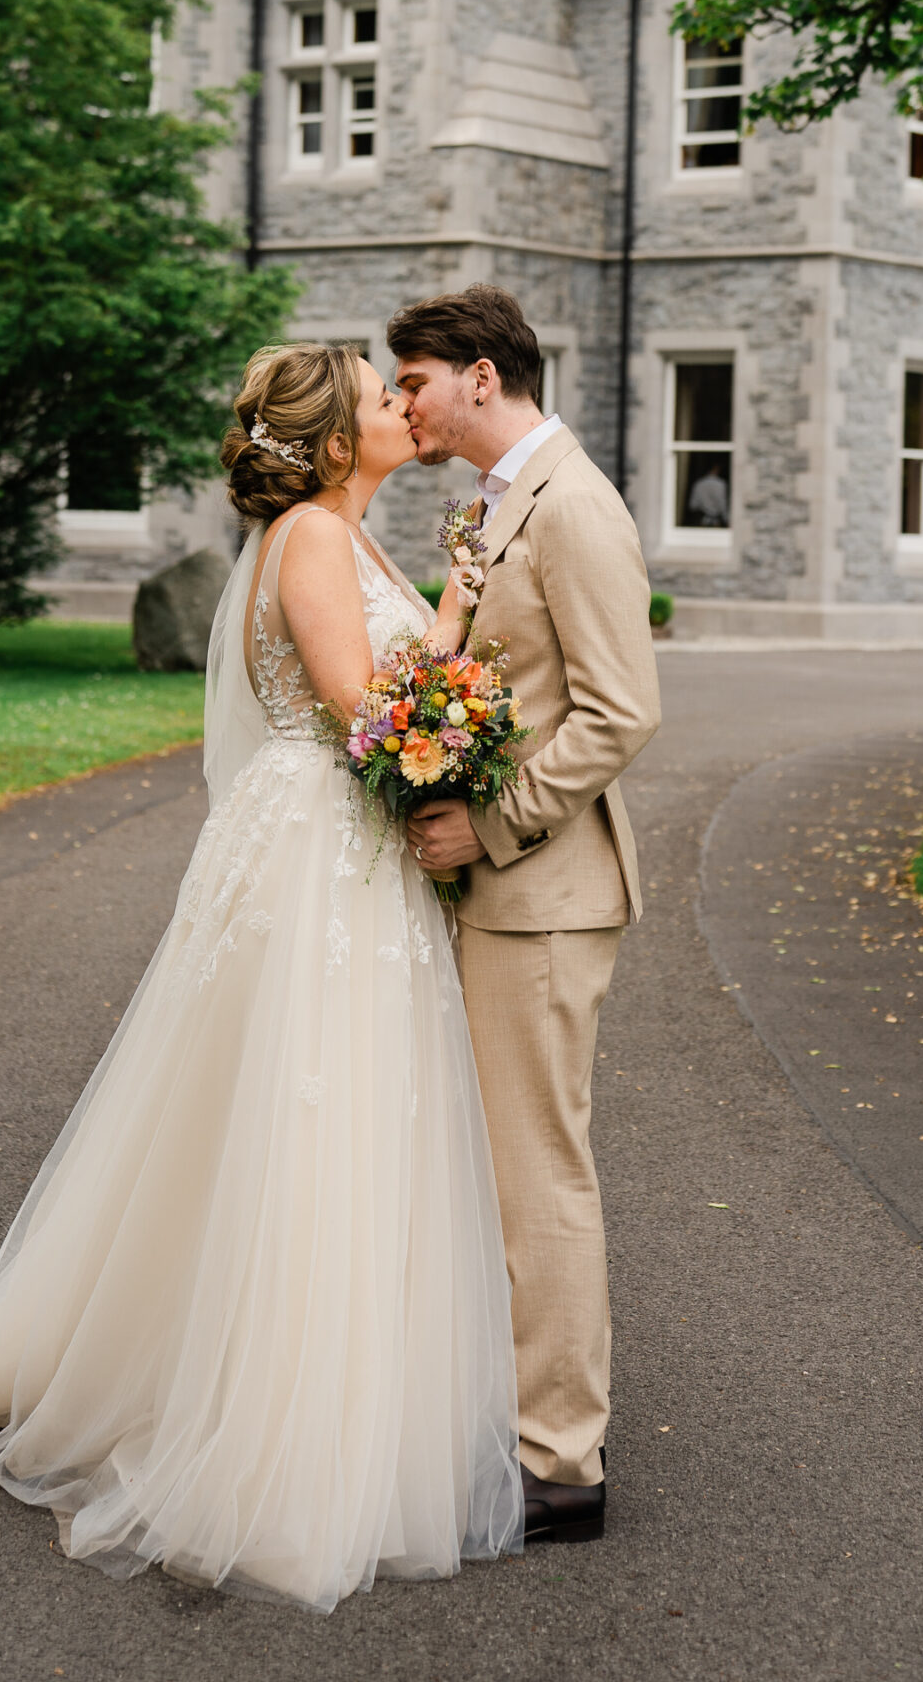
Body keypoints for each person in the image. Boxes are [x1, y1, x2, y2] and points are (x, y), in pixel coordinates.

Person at [0, 344, 523, 1611]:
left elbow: (397, 683)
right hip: (323, 848)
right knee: (309, 1117)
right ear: (332, 444)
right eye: (381, 397)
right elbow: (362, 708)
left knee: (316, 1119)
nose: (399, 406)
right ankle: (268, 1434)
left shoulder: (348, 535)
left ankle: (307, 1391)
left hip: (338, 847)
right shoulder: (316, 540)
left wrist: (457, 617)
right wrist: (455, 681)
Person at [389, 285, 662, 1548]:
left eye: (418, 383)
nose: (405, 405)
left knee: (539, 1171)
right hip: (490, 896)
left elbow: (619, 711)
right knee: (495, 1168)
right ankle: (511, 1423)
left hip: (545, 899)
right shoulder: (498, 504)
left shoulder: (580, 507)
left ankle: (560, 1462)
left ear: (483, 376)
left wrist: (486, 828)